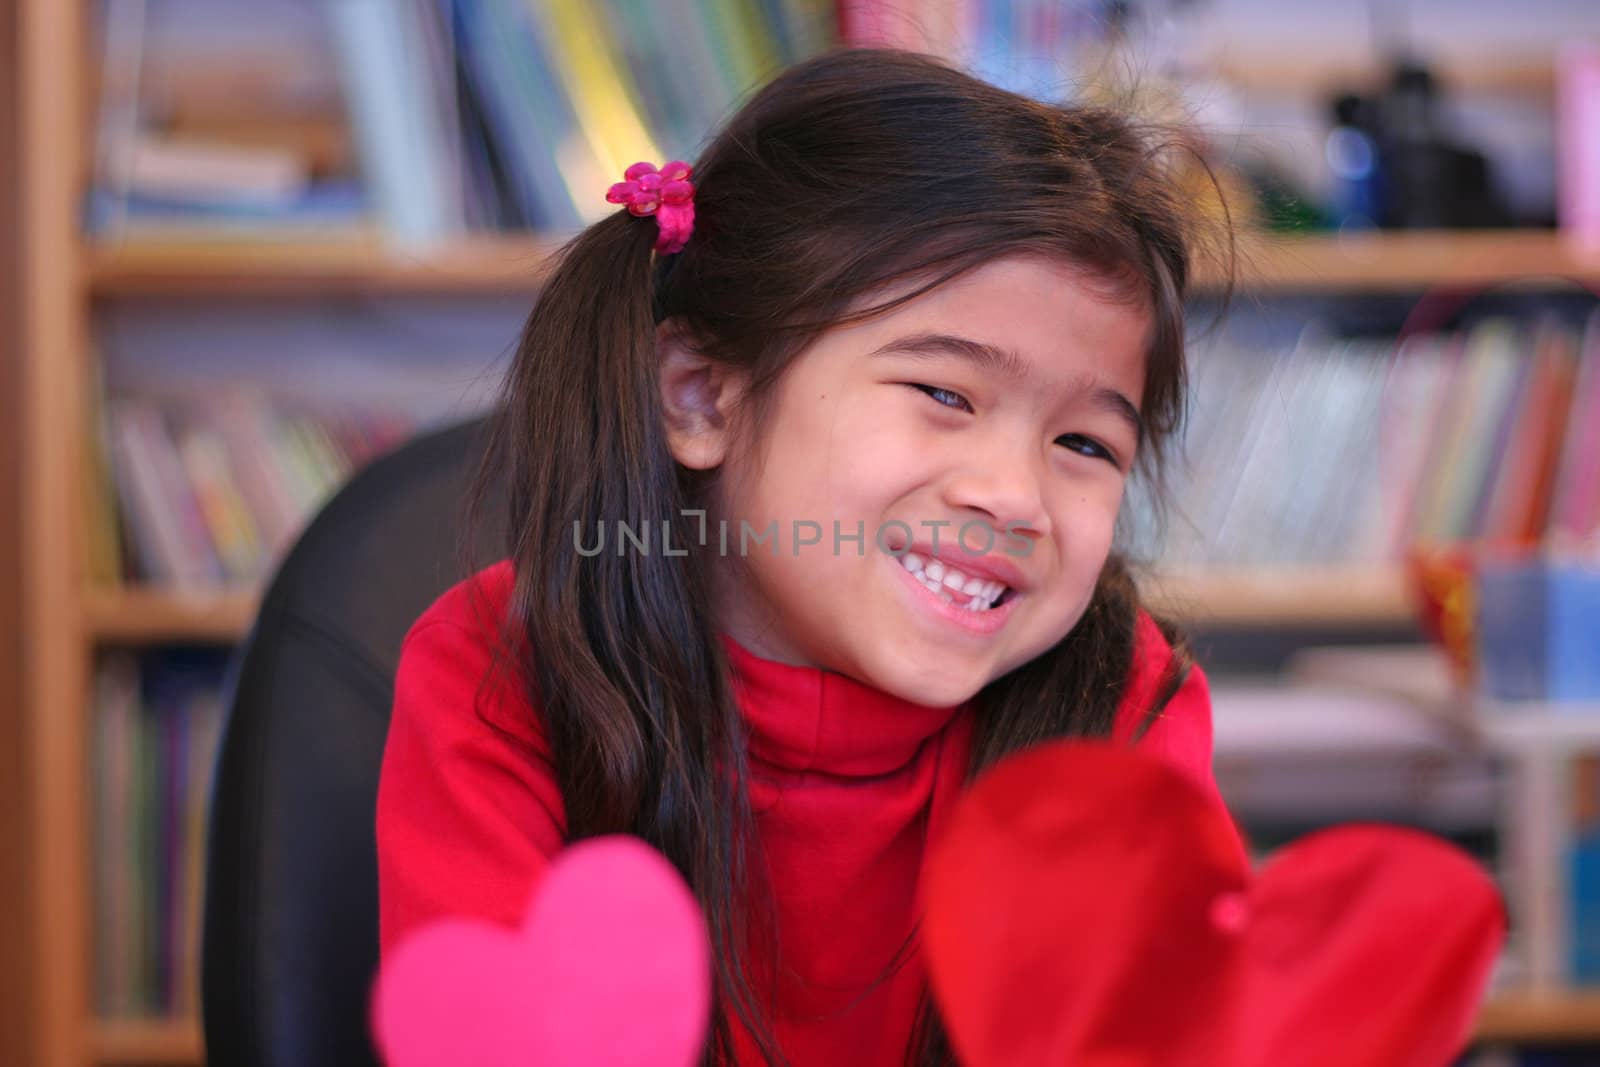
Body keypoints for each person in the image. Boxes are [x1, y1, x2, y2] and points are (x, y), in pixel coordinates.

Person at [377, 47, 1236, 1067]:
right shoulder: (503, 668)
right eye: (944, 394)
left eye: (1085, 445)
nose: (1015, 495)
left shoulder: (1122, 699)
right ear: (702, 397)